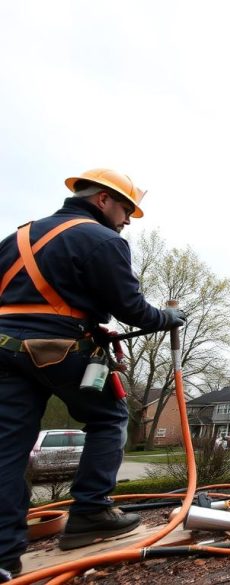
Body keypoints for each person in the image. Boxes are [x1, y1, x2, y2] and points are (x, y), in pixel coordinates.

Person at [0, 168, 186, 577]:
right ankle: (90, 512)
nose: (126, 220)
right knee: (109, 416)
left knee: (8, 448)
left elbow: (29, 302)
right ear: (102, 199)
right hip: (58, 350)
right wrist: (168, 316)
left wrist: (83, 319)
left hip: (4, 351)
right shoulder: (102, 240)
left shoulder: (17, 237)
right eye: (125, 209)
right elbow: (134, 310)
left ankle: (2, 556)